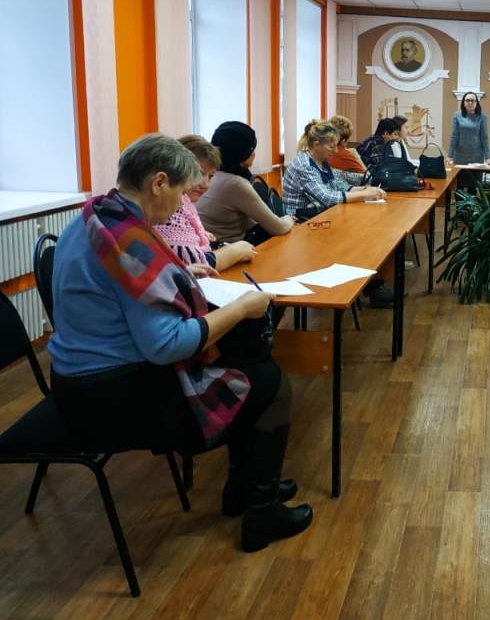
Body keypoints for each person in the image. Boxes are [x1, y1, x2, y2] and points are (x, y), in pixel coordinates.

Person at [47, 134, 312, 553]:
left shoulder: (98, 216)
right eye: (181, 193)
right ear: (158, 182)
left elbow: (133, 294)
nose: (182, 206)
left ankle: (246, 488)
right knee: (265, 380)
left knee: (248, 361)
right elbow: (168, 345)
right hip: (108, 399)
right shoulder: (129, 243)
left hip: (74, 381)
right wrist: (241, 308)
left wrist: (186, 276)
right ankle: (260, 511)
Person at [282, 120, 393, 307]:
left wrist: (365, 189)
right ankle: (367, 287)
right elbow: (326, 197)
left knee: (360, 236)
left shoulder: (320, 160)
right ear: (316, 144)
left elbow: (336, 187)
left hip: (320, 217)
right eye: (331, 146)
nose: (335, 151)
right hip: (302, 224)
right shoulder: (304, 165)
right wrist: (365, 194)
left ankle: (369, 285)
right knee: (353, 241)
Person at [153, 135, 257, 270]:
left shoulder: (186, 203)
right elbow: (192, 262)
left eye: (210, 176)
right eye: (198, 173)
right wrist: (236, 250)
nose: (205, 184)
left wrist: (216, 243)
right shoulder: (169, 209)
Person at [197, 121, 295, 244]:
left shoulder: (210, 175)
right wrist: (289, 218)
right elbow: (278, 228)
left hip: (208, 246)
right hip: (230, 248)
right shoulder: (236, 184)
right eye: (252, 149)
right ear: (243, 154)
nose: (254, 154)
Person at [448, 92, 489, 164]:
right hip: (459, 156)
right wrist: (449, 156)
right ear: (464, 103)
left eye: (473, 100)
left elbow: (484, 138)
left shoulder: (482, 117)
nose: (470, 103)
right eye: (467, 100)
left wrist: (487, 157)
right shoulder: (457, 115)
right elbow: (454, 137)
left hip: (477, 156)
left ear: (476, 103)